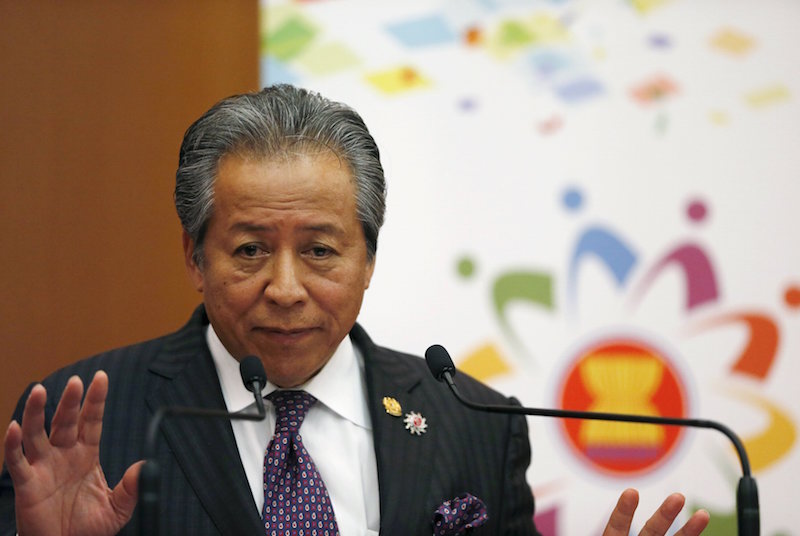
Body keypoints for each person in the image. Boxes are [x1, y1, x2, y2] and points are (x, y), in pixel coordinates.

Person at [0, 85, 710, 535]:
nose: (284, 288)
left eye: (320, 251)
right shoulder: (81, 428)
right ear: (194, 256)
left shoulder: (475, 426)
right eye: (249, 250)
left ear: (368, 258)